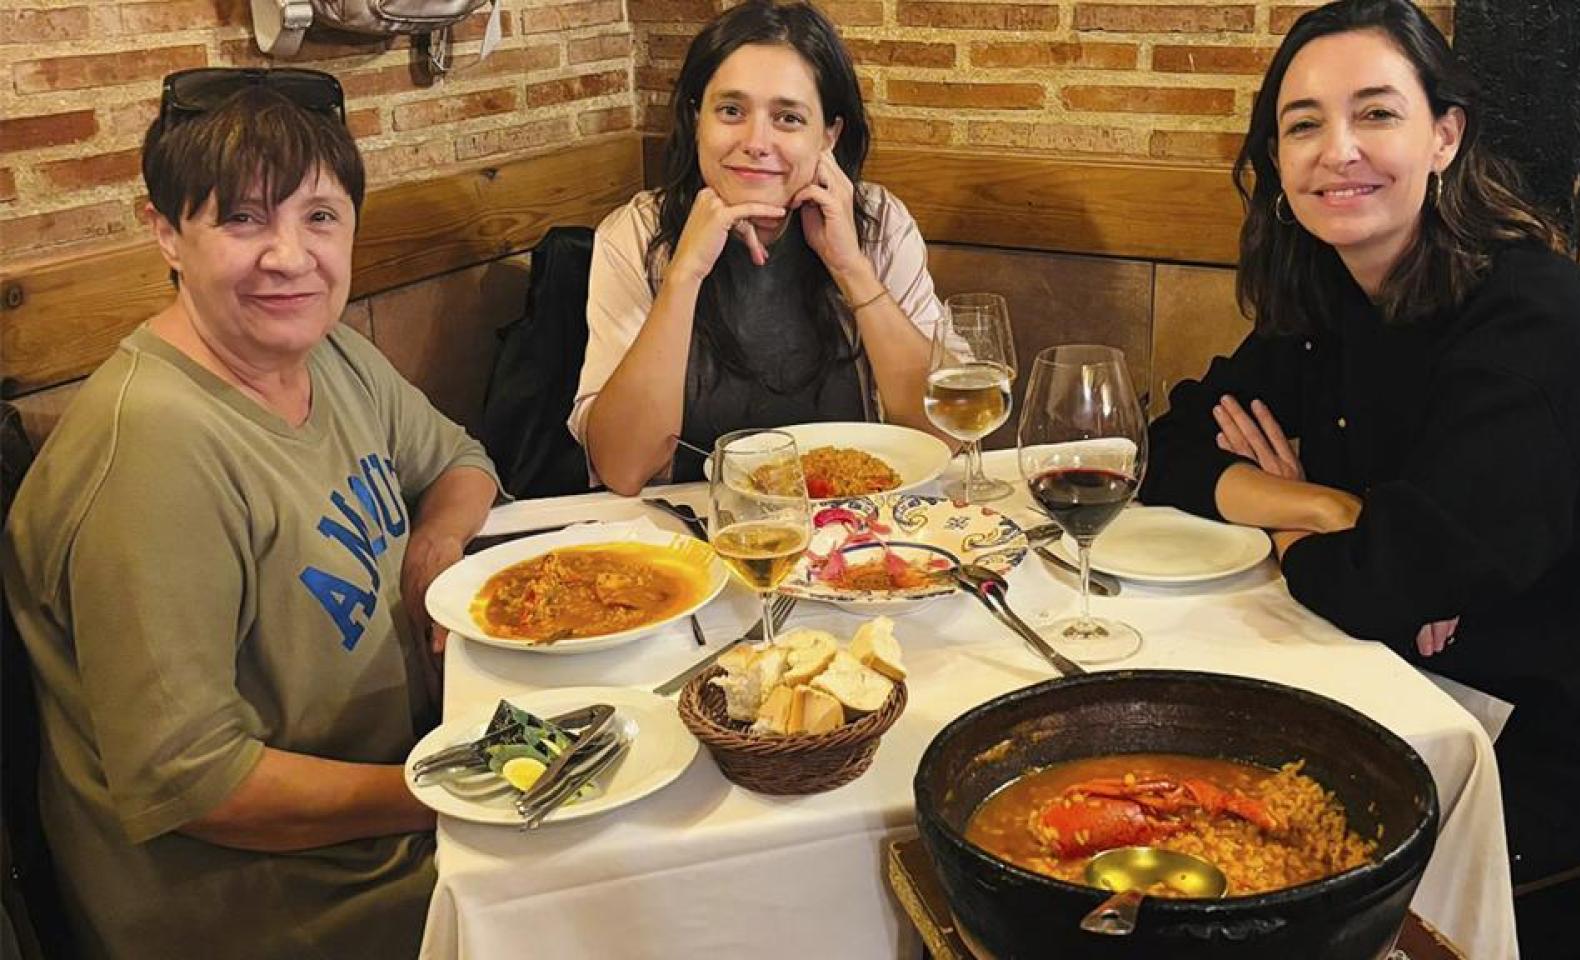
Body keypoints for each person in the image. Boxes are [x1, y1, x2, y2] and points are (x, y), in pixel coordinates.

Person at [1141, 0, 1580, 899]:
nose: (1337, 149)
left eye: (1376, 113)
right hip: (1370, 674)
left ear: (1444, 137)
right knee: (1152, 778)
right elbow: (1172, 450)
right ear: (1275, 159)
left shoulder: (1527, 314)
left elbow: (1395, 580)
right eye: (1303, 125)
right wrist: (1324, 510)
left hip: (1517, 734)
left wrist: (1357, 555)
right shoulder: (1328, 296)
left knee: (1221, 855)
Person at [0, 69, 499, 959]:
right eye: (242, 217)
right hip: (274, 901)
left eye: (318, 215)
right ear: (166, 233)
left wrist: (436, 539)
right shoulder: (152, 452)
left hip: (391, 803)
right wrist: (451, 789)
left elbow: (460, 460)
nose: (289, 255)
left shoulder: (331, 355)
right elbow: (201, 785)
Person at [571, 0, 946, 494]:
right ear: (696, 118)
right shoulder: (637, 234)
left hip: (858, 532)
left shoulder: (877, 224)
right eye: (731, 111)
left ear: (829, 135)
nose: (756, 141)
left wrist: (850, 266)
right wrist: (684, 276)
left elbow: (942, 432)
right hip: (693, 536)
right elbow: (624, 468)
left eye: (788, 118)